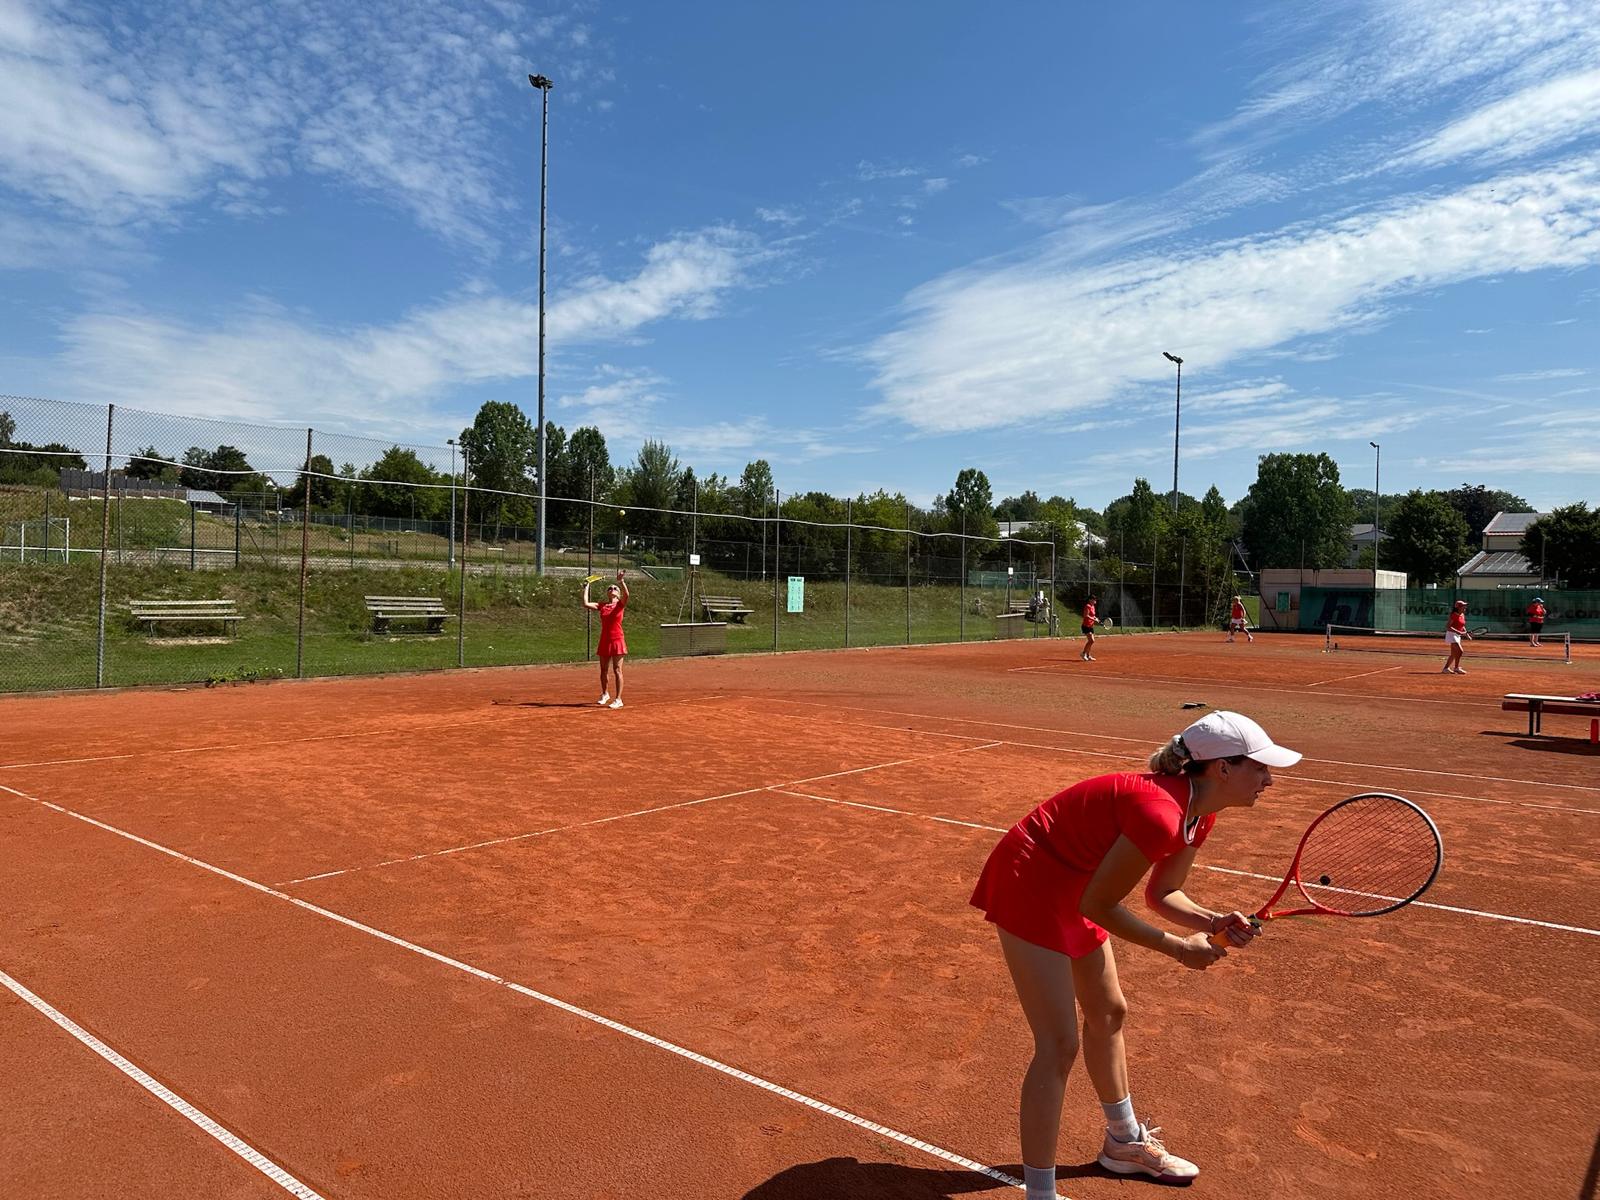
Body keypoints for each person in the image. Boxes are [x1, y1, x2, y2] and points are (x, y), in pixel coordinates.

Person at [971, 711, 1302, 1197]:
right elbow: (1100, 906)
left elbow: (1162, 892)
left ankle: (1123, 1143)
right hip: (1031, 880)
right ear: (1222, 768)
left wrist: (1212, 922)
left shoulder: (1198, 813)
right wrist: (1178, 948)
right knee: (1058, 1044)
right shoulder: (1158, 813)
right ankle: (1040, 1193)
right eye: (1260, 768)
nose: (1269, 780)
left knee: (1109, 1013)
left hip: (1079, 882)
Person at [583, 569, 629, 708]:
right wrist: (587, 586)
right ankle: (605, 694)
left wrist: (621, 581)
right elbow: (586, 603)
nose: (612, 589)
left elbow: (627, 594)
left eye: (614, 588)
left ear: (618, 594)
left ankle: (618, 699)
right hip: (605, 640)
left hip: (617, 640)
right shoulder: (602, 605)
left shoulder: (620, 605)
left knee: (617, 669)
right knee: (603, 670)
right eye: (610, 588)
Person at [1442, 599, 1471, 675]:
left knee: (1453, 654)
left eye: (1465, 606)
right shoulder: (1454, 615)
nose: (1465, 607)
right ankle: (1456, 668)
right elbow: (1448, 626)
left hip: (1457, 635)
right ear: (1458, 607)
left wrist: (1466, 634)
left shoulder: (1462, 615)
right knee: (1460, 651)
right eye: (1463, 606)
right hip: (1451, 634)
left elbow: (1462, 626)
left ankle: (1445, 669)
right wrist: (1457, 631)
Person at [1080, 596, 1099, 661]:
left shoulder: (1093, 606)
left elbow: (1092, 615)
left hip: (1090, 626)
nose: (1095, 600)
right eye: (1094, 599)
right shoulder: (1087, 606)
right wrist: (1094, 619)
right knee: (1091, 640)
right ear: (1090, 600)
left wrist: (1095, 618)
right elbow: (1086, 615)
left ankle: (1088, 655)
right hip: (1086, 626)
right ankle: (1083, 653)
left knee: (1091, 641)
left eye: (1095, 599)